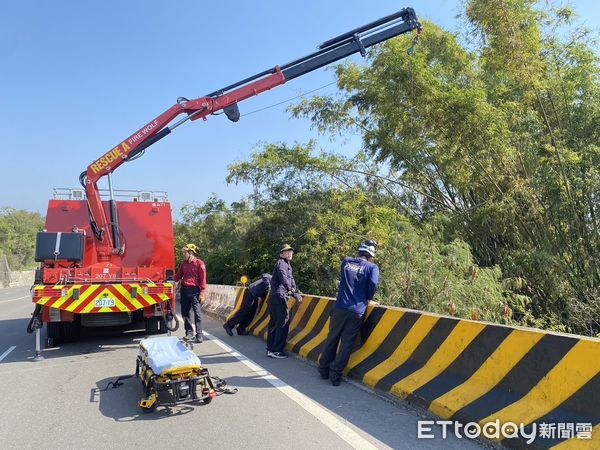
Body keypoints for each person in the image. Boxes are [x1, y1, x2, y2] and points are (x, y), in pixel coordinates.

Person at [318, 240, 380, 386]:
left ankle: (323, 369)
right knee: (346, 343)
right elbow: (372, 285)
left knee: (332, 338)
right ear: (371, 255)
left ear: (359, 251)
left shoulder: (346, 262)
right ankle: (335, 375)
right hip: (357, 310)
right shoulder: (372, 267)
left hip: (340, 307)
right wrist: (368, 299)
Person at [266, 244, 303, 359]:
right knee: (283, 322)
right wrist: (292, 292)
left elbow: (291, 280)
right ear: (281, 254)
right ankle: (276, 350)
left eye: (291, 251)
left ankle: (271, 349)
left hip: (276, 297)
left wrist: (296, 292)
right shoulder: (281, 263)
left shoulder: (287, 265)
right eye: (286, 252)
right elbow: (284, 278)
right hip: (279, 297)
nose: (289, 253)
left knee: (274, 323)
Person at [174, 243, 207, 343]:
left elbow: (203, 279)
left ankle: (199, 334)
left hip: (195, 291)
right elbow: (178, 275)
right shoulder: (184, 264)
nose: (183, 254)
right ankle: (189, 332)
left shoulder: (199, 263)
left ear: (190, 252)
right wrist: (169, 280)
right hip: (184, 290)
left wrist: (203, 292)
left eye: (185, 252)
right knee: (185, 312)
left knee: (197, 313)